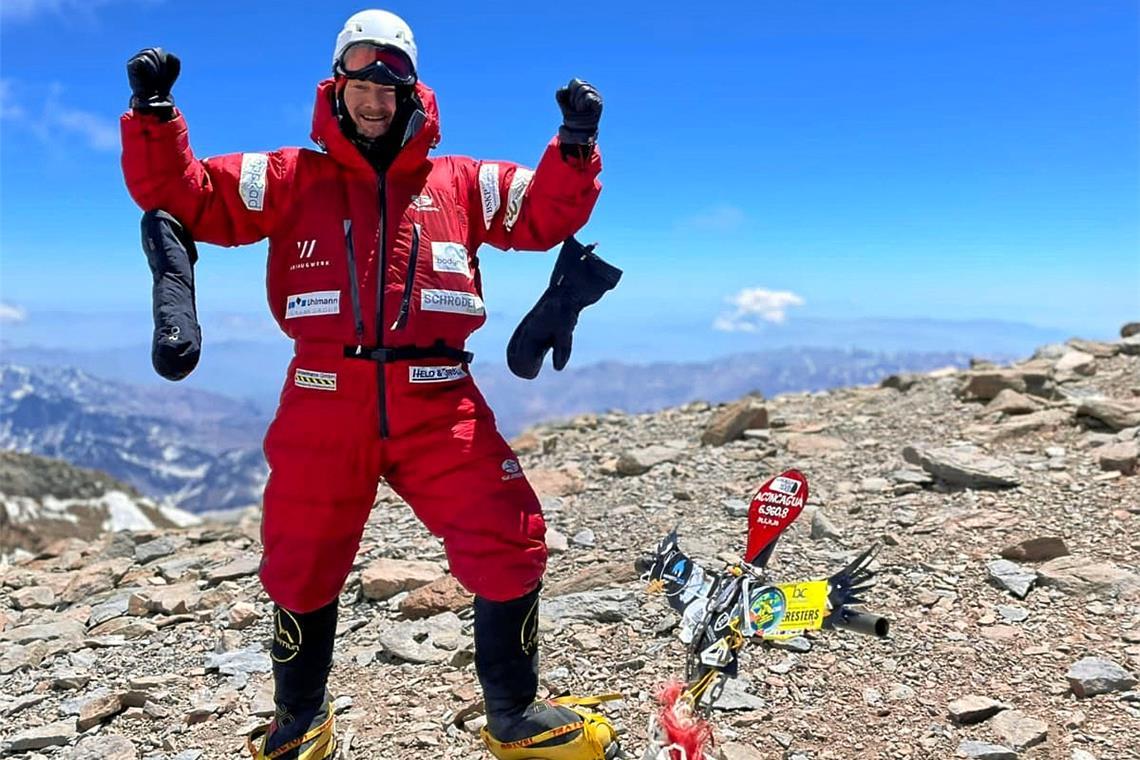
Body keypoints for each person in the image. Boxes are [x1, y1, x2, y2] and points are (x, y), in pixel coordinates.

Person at [121, 9, 620, 760]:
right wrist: (155, 116)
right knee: (300, 559)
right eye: (362, 78)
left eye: (392, 80)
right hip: (324, 395)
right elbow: (187, 195)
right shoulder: (291, 177)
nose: (377, 97)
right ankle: (300, 723)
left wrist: (575, 146)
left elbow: (544, 215)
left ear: (412, 89)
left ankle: (514, 716)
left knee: (509, 533)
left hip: (438, 397)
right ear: (338, 86)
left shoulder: (459, 182)